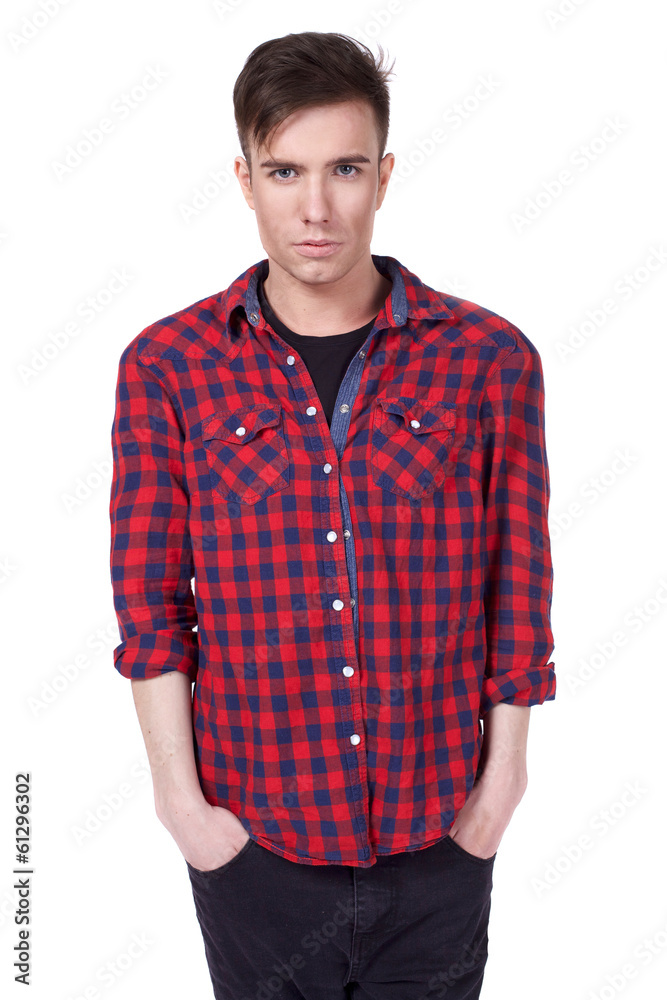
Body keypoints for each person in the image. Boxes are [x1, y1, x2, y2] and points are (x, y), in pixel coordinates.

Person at [109, 30, 556, 1000]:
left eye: (344, 169)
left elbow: (516, 587)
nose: (315, 207)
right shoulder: (167, 367)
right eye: (285, 171)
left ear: (383, 175)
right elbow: (150, 610)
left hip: (439, 843)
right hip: (252, 850)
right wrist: (183, 808)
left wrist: (499, 790)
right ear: (245, 179)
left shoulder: (489, 360)